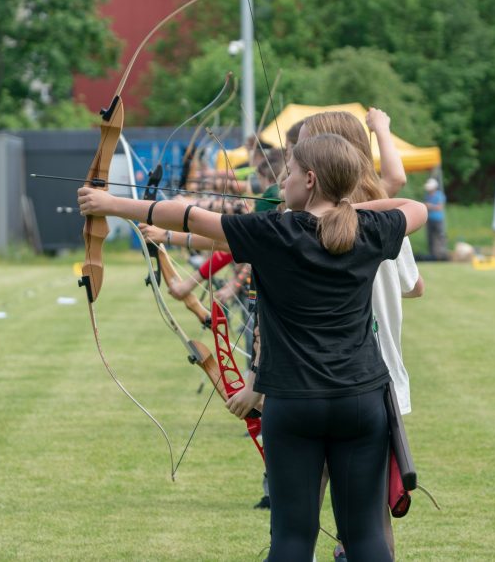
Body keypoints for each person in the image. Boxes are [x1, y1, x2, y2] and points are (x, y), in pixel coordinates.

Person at [79, 133, 427, 561]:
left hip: (292, 401)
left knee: (292, 538)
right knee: (367, 537)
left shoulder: (271, 232)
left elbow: (185, 216)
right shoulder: (369, 230)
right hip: (360, 399)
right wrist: (344, 211)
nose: (283, 182)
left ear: (311, 180)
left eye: (291, 173)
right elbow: (415, 209)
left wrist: (111, 204)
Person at [301, 108, 422, 560]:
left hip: (336, 381)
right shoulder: (389, 222)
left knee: (307, 506)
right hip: (379, 384)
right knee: (370, 516)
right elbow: (415, 286)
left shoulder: (315, 227)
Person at [423, 178, 448, 260]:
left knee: (440, 237)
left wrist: (429, 206)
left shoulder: (439, 195)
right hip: (429, 220)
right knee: (430, 238)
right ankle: (432, 256)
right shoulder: (427, 196)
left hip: (438, 219)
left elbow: (439, 207)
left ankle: (441, 255)